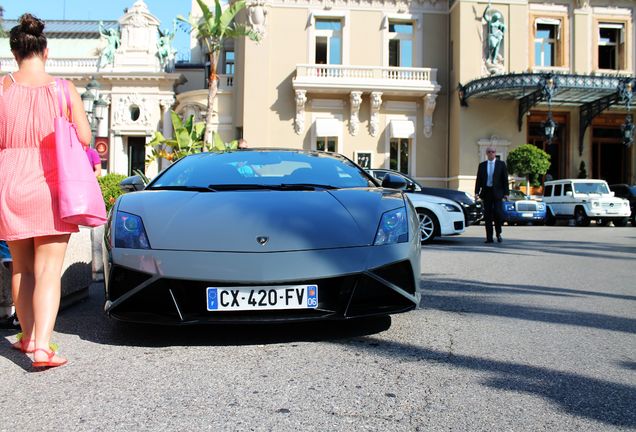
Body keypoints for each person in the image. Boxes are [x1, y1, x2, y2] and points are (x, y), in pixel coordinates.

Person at [0, 14, 91, 368]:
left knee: (20, 266)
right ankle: (42, 347)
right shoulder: (63, 89)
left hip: (9, 183)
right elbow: (84, 137)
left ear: (14, 51)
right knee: (49, 271)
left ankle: (26, 337)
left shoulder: (3, 88)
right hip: (50, 184)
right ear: (46, 51)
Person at [475, 147, 509, 244]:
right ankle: (489, 237)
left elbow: (505, 180)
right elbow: (478, 180)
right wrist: (476, 192)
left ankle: (498, 233)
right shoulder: (482, 165)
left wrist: (506, 193)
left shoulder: (501, 164)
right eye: (489, 152)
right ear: (486, 153)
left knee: (498, 214)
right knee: (488, 216)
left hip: (498, 193)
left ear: (495, 153)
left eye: (493, 152)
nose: (491, 153)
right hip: (487, 192)